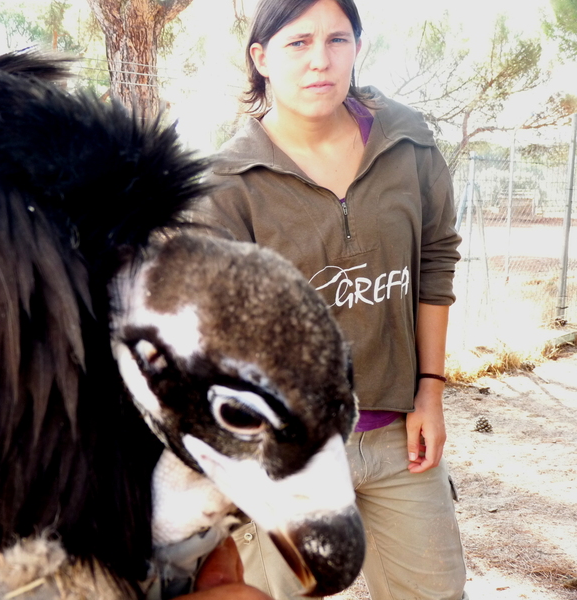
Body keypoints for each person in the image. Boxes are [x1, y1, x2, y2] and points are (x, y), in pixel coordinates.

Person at [188, 0, 468, 598]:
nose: (321, 61)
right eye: (298, 43)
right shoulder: (226, 187)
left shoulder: (409, 146)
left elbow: (436, 263)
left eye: (338, 40)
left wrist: (431, 391)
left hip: (401, 441)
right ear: (260, 58)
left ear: (358, 48)